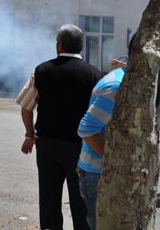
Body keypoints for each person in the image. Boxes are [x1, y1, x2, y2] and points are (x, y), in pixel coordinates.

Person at [16, 24, 102, 230]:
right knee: (81, 203)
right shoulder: (94, 75)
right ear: (81, 46)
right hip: (82, 149)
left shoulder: (41, 71)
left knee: (49, 200)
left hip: (48, 146)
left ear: (59, 45)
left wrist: (30, 135)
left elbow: (26, 108)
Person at [76, 65, 126, 230]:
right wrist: (117, 161)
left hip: (98, 171)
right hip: (98, 173)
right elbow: (87, 129)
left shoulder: (123, 78)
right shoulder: (117, 86)